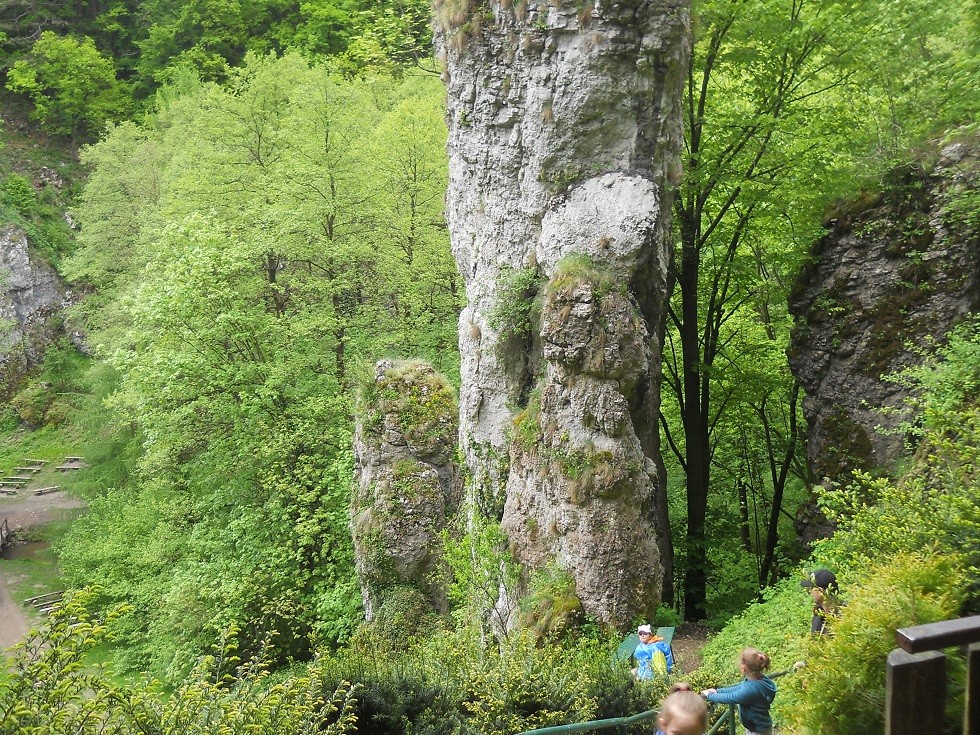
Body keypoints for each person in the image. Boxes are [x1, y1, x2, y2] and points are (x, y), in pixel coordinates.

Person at [701, 648, 776, 735]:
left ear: (743, 668)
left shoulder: (751, 690)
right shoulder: (759, 679)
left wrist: (710, 695)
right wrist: (717, 691)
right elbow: (738, 688)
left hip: (757, 730)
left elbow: (730, 697)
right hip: (760, 726)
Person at [800, 568, 841, 635]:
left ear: (821, 591)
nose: (809, 591)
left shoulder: (846, 613)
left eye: (811, 588)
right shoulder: (818, 615)